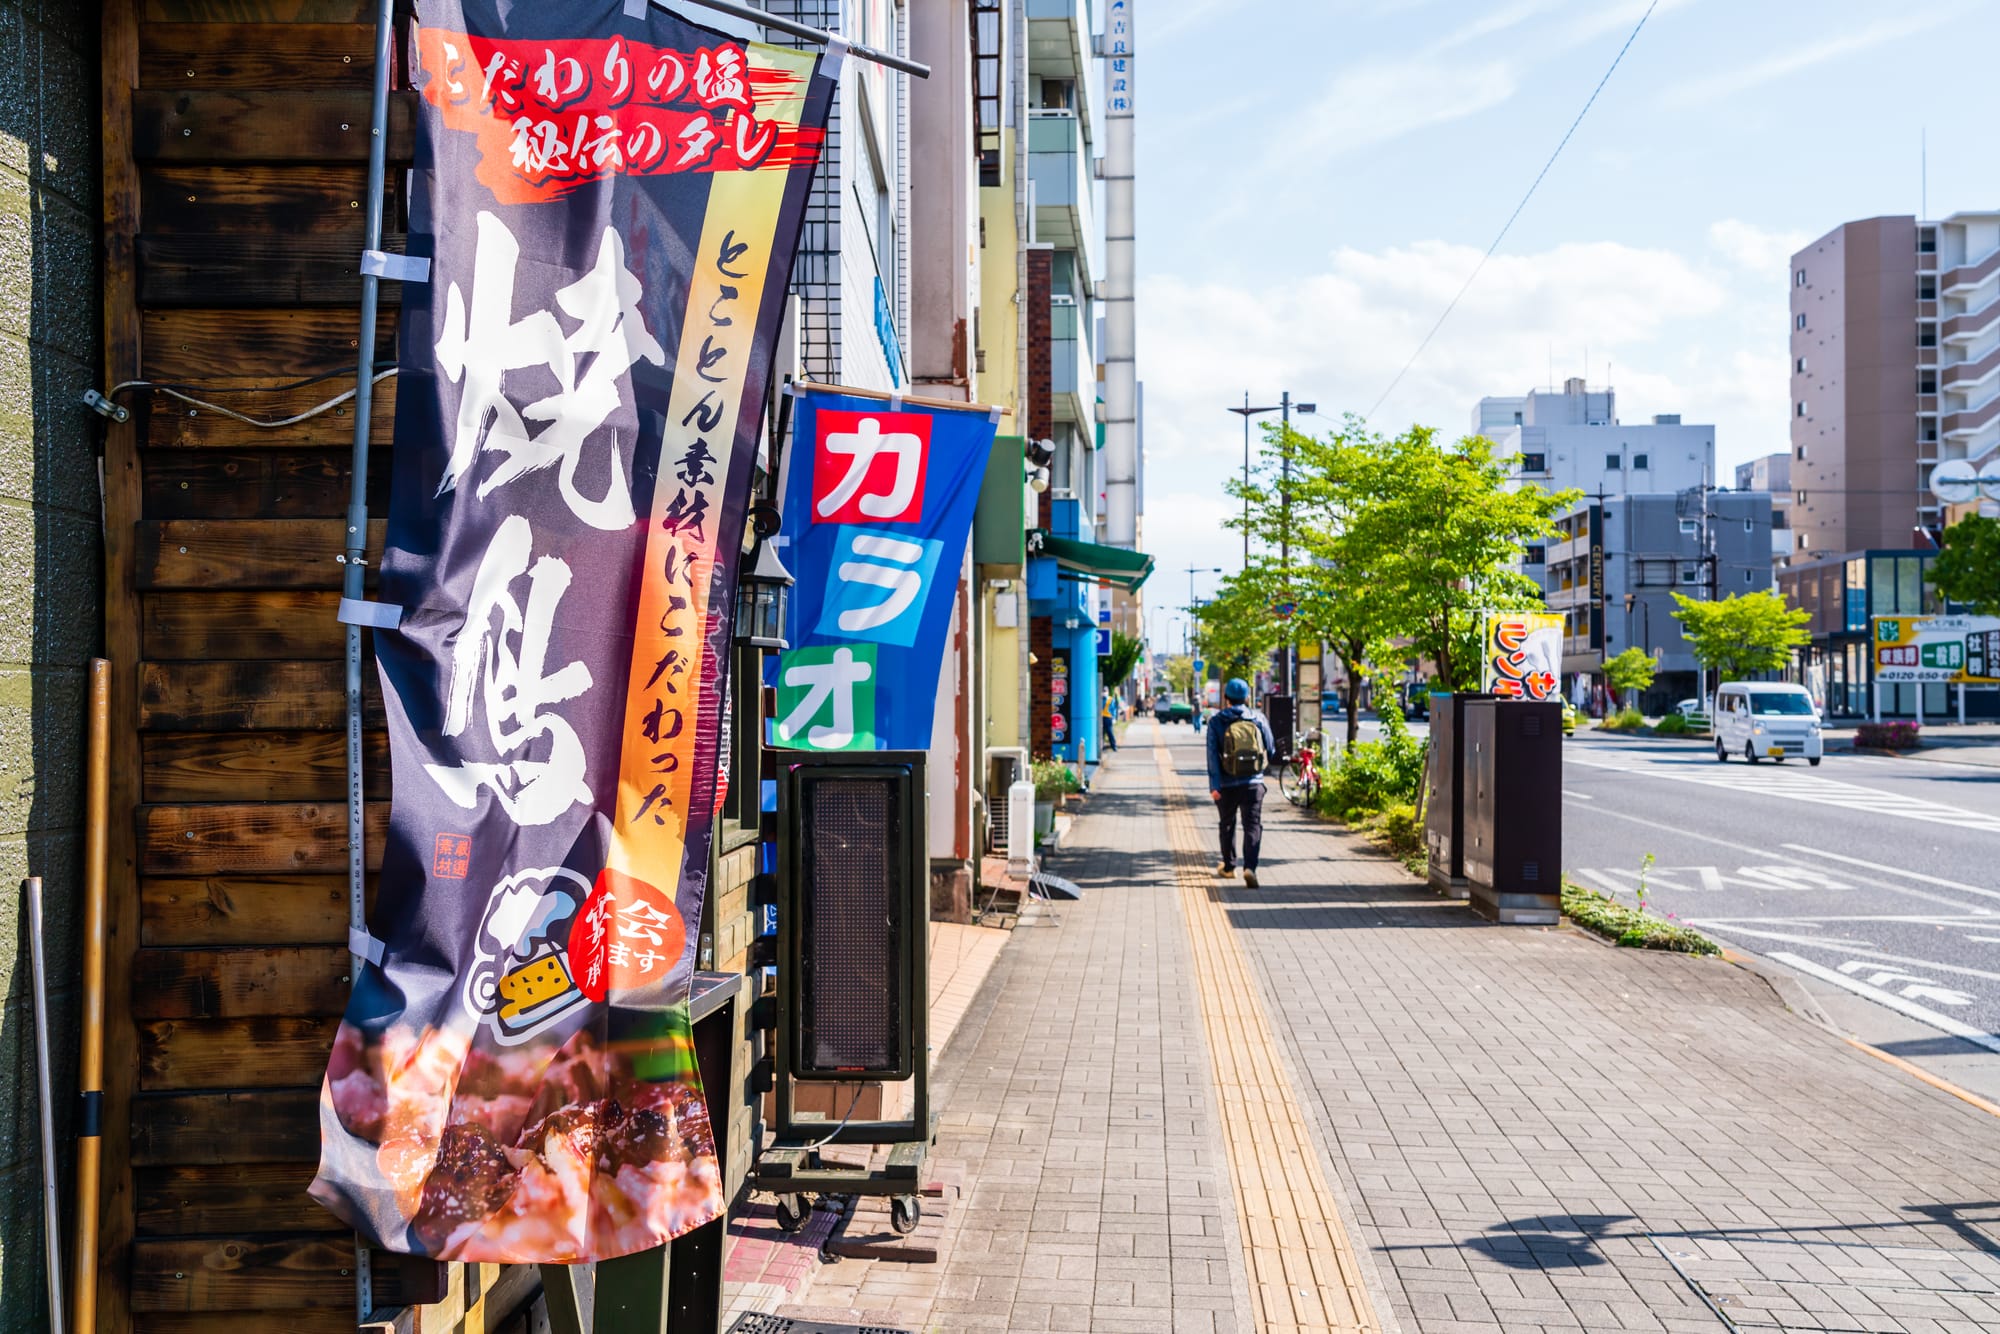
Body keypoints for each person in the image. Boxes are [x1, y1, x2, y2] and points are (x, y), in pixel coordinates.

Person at [1205, 677, 1275, 888]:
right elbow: (1270, 748)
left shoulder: (1216, 721)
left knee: (1227, 824)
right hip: (1253, 782)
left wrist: (1214, 785)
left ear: (1226, 697)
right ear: (1246, 697)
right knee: (1252, 825)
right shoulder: (1258, 718)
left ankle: (1229, 867)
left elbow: (1212, 756)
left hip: (1226, 783)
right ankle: (1250, 868)